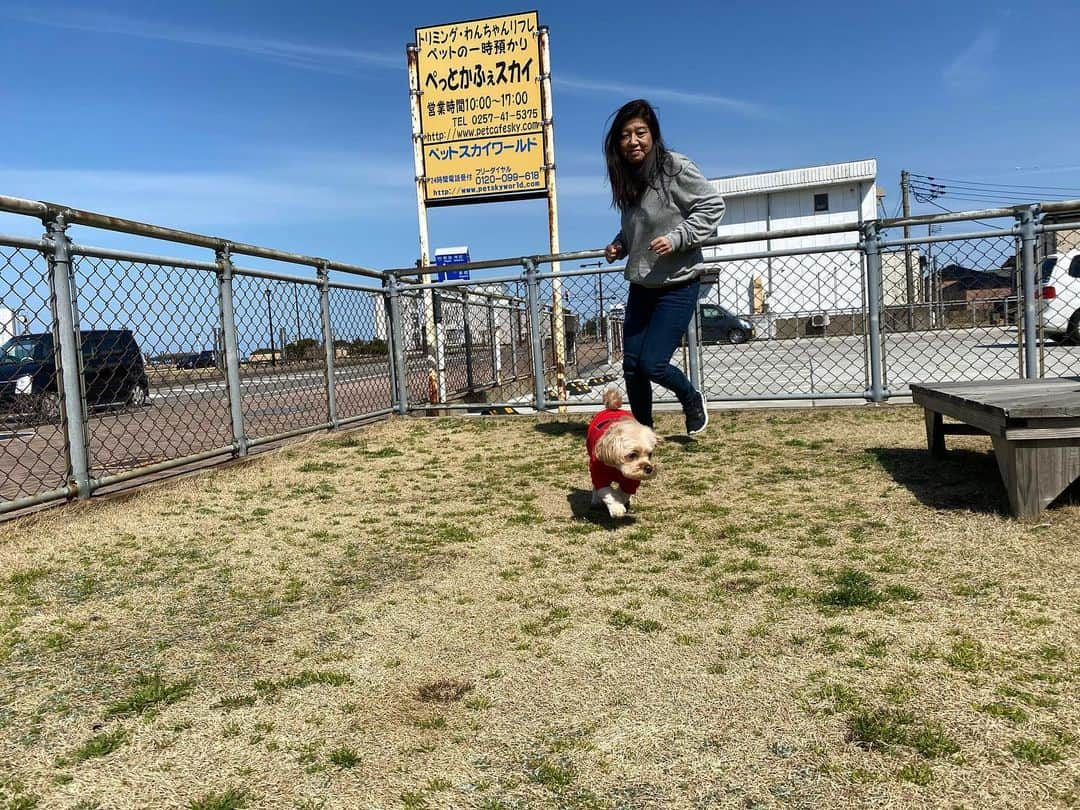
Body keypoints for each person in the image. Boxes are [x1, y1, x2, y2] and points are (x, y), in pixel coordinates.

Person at [603, 98, 725, 435]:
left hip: (678, 282)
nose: (633, 141)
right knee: (631, 367)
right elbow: (639, 226)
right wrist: (621, 245)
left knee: (652, 363)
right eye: (625, 135)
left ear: (653, 135)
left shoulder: (675, 167)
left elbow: (713, 207)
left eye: (640, 132)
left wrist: (678, 238)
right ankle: (643, 433)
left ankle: (691, 397)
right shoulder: (629, 179)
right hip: (642, 286)